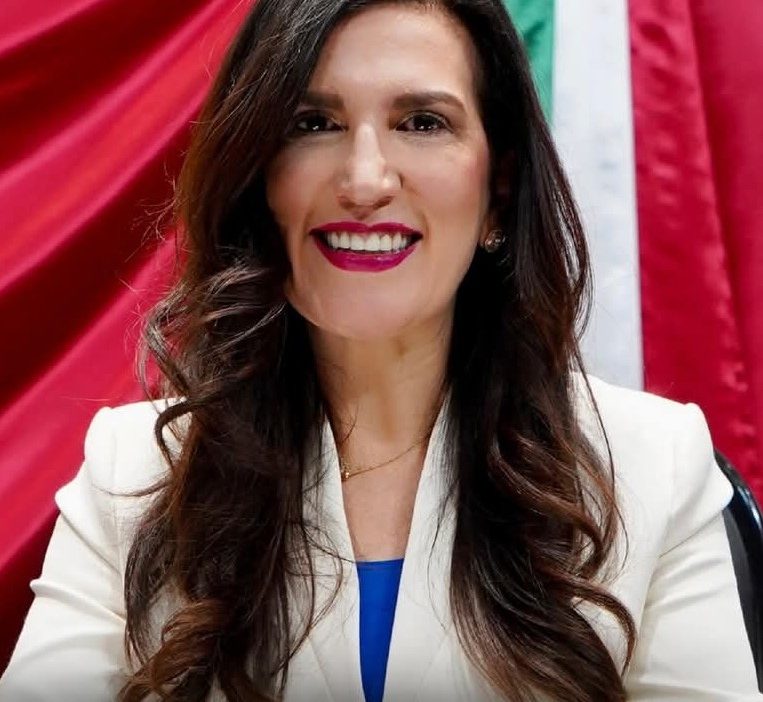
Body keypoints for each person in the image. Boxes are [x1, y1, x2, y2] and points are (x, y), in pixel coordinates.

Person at [1, 0, 760, 700]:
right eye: (312, 123)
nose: (364, 180)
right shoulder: (129, 472)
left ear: (497, 192)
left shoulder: (656, 468)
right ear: (258, 179)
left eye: (422, 122)